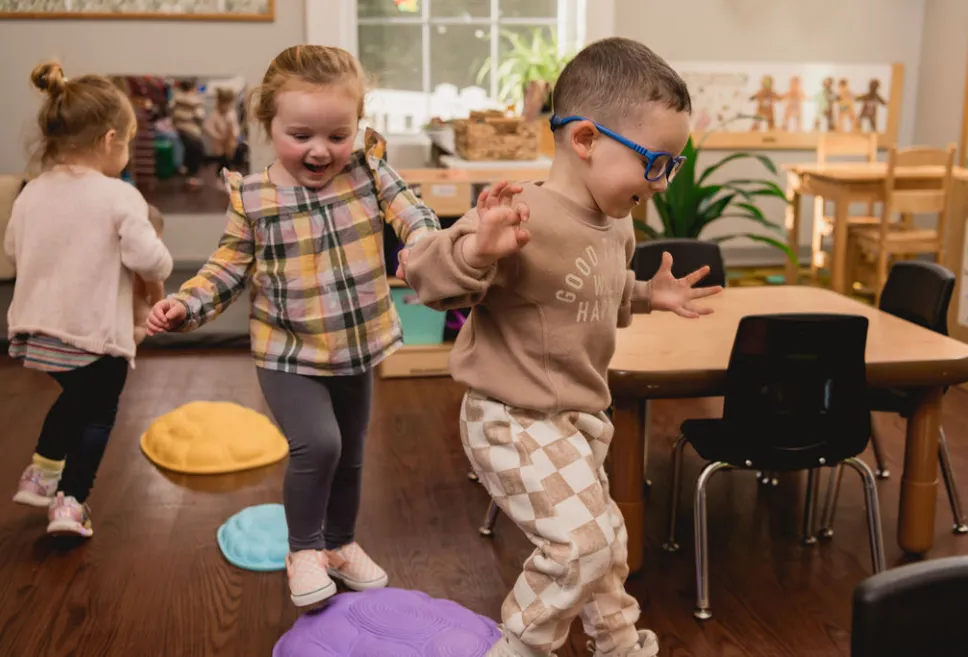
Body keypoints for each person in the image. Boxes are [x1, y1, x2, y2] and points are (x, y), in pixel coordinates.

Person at [399, 37, 722, 657]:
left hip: (573, 420)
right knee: (580, 545)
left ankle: (620, 644)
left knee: (607, 544)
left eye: (671, 167)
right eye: (655, 162)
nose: (660, 182)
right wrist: (475, 250)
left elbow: (590, 293)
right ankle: (518, 647)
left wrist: (648, 294)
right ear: (584, 141)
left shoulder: (618, 222)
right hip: (510, 417)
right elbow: (428, 277)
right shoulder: (519, 215)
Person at [144, 45, 440, 609]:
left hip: (355, 344)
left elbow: (413, 212)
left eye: (337, 134)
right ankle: (303, 549)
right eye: (301, 135)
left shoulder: (370, 171)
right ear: (268, 124)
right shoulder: (253, 196)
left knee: (352, 451)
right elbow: (228, 265)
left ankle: (340, 543)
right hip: (287, 351)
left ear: (357, 127)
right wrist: (187, 303)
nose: (321, 150)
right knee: (320, 444)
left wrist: (423, 243)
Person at [8, 62, 173, 538]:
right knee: (99, 414)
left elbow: (13, 252)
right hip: (94, 335)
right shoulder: (119, 196)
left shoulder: (30, 193)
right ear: (108, 141)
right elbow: (150, 260)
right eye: (127, 142)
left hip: (37, 334)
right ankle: (72, 501)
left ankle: (41, 472)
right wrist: (161, 267)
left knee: (77, 398)